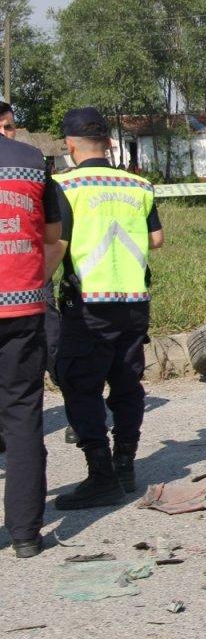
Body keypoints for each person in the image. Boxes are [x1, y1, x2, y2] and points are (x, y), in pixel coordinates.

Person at [52, 107, 163, 511]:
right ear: (109, 142)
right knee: (127, 384)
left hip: (89, 304)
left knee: (80, 384)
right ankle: (126, 467)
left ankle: (100, 475)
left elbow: (58, 241)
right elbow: (157, 238)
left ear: (70, 145)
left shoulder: (64, 185)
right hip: (134, 301)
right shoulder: (139, 185)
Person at [0, 99, 62, 557]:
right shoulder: (32, 163)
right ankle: (24, 535)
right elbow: (51, 236)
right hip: (21, 306)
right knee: (23, 418)